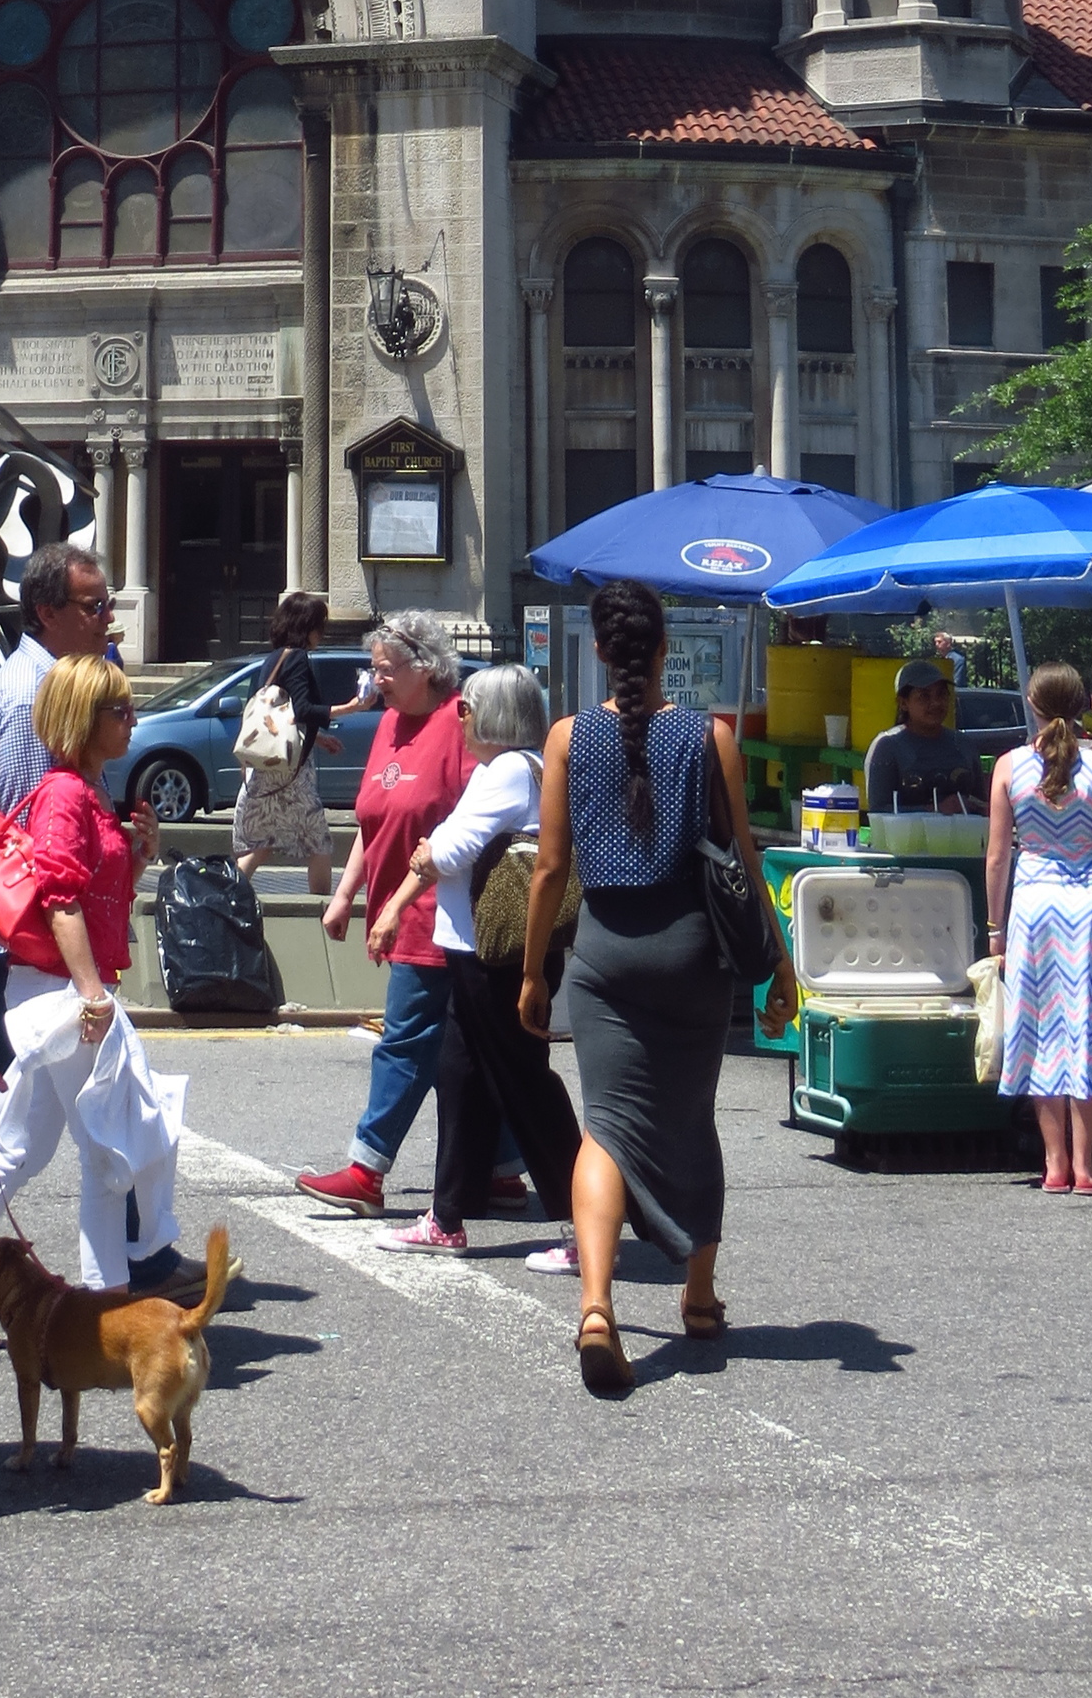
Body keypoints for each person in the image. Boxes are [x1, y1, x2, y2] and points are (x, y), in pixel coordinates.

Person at [519, 579, 794, 1397]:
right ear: (666, 647)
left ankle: (598, 1306)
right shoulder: (711, 738)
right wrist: (776, 963)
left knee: (603, 1127)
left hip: (606, 950)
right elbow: (744, 858)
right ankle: (700, 1295)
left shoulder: (569, 737)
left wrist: (535, 971)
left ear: (600, 650)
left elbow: (548, 868)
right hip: (691, 951)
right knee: (687, 1118)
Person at [0, 654, 174, 1288]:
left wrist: (135, 859)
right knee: (108, 1153)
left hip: (54, 989)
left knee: (20, 1145)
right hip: (61, 992)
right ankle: (107, 1299)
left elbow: (97, 899)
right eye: (120, 709)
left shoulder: (88, 791)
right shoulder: (67, 794)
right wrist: (92, 994)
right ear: (84, 718)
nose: (132, 720)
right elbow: (60, 899)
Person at [359, 662, 582, 1255]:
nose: (459, 717)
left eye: (468, 707)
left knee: (525, 1086)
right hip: (478, 952)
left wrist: (430, 850)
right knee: (462, 1080)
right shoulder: (522, 769)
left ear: (494, 716)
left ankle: (588, 1221)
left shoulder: (506, 771)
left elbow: (450, 852)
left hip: (496, 959)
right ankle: (448, 1215)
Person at [0, 540, 119, 1188]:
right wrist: (84, 973)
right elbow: (40, 851)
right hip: (24, 945)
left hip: (37, 942)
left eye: (107, 603)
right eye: (93, 605)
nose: (107, 617)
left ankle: (138, 1250)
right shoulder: (30, 702)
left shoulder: (54, 688)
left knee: (93, 1098)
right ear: (47, 611)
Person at [296, 612, 475, 1217]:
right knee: (468, 1048)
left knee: (404, 1041)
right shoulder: (392, 722)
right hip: (395, 910)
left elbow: (473, 829)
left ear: (425, 668)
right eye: (372, 669)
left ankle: (367, 1170)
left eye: (384, 670)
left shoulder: (460, 723)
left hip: (438, 911)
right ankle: (501, 1167)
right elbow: (375, 822)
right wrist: (347, 895)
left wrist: (396, 903)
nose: (374, 682)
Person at [988, 664, 1092, 1192]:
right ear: (1083, 707)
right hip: (1091, 912)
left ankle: (1053, 1164)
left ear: (1031, 705)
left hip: (1034, 910)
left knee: (1041, 1030)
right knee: (1086, 1031)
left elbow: (995, 858)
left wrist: (994, 929)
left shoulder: (1009, 766)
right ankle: (1085, 1165)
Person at [230, 590, 365, 894]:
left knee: (263, 844)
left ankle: (228, 894)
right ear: (308, 627)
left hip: (267, 767)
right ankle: (320, 908)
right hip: (290, 773)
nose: (322, 633)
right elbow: (302, 710)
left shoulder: (274, 659)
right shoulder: (299, 659)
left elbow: (280, 719)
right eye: (320, 626)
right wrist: (351, 707)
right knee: (319, 841)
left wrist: (320, 739)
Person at [864, 657, 987, 814]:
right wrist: (935, 810)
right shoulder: (887, 746)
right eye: (924, 696)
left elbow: (983, 806)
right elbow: (879, 811)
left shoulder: (963, 744)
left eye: (941, 694)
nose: (935, 703)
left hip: (963, 837)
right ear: (903, 703)